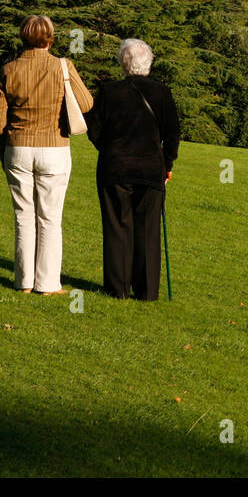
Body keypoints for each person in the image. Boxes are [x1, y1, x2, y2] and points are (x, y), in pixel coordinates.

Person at [0, 15, 93, 295]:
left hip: (17, 147)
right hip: (54, 147)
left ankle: (23, 281)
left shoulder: (8, 69)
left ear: (23, 36)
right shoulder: (63, 66)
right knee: (49, 218)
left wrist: (4, 153)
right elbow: (86, 103)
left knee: (23, 217)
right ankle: (47, 283)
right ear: (50, 37)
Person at [85, 38, 180, 300]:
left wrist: (109, 148)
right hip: (150, 170)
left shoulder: (109, 92)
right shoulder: (162, 93)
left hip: (115, 168)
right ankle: (147, 290)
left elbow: (94, 130)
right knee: (148, 231)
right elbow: (172, 135)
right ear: (148, 63)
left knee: (117, 227)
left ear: (123, 63)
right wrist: (166, 165)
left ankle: (118, 288)